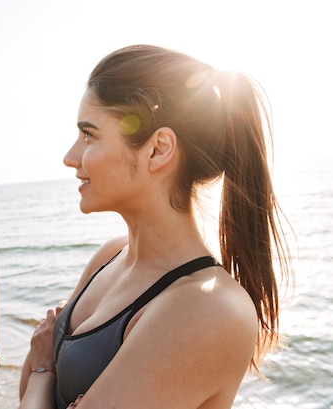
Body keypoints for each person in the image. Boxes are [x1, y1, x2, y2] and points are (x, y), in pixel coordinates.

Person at [18, 45, 293, 409]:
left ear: (158, 149)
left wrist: (42, 369)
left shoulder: (209, 310)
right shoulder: (110, 255)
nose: (70, 157)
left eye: (89, 135)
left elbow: (35, 374)